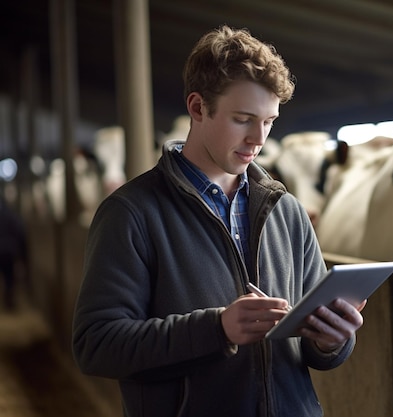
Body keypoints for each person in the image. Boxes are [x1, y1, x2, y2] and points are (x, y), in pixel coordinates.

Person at [72, 25, 366, 417]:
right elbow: (97, 345)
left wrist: (333, 340)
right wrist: (217, 329)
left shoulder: (288, 211)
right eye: (243, 119)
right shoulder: (132, 213)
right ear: (198, 107)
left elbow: (318, 354)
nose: (257, 139)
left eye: (269, 121)